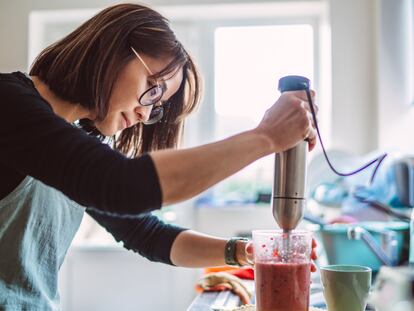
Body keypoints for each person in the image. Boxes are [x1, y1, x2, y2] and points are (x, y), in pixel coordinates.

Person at [0, 3, 317, 310]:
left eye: (156, 106)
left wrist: (246, 252)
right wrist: (266, 137)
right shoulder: (9, 102)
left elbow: (146, 233)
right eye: (152, 88)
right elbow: (122, 184)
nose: (145, 112)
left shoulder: (74, 141)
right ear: (113, 49)